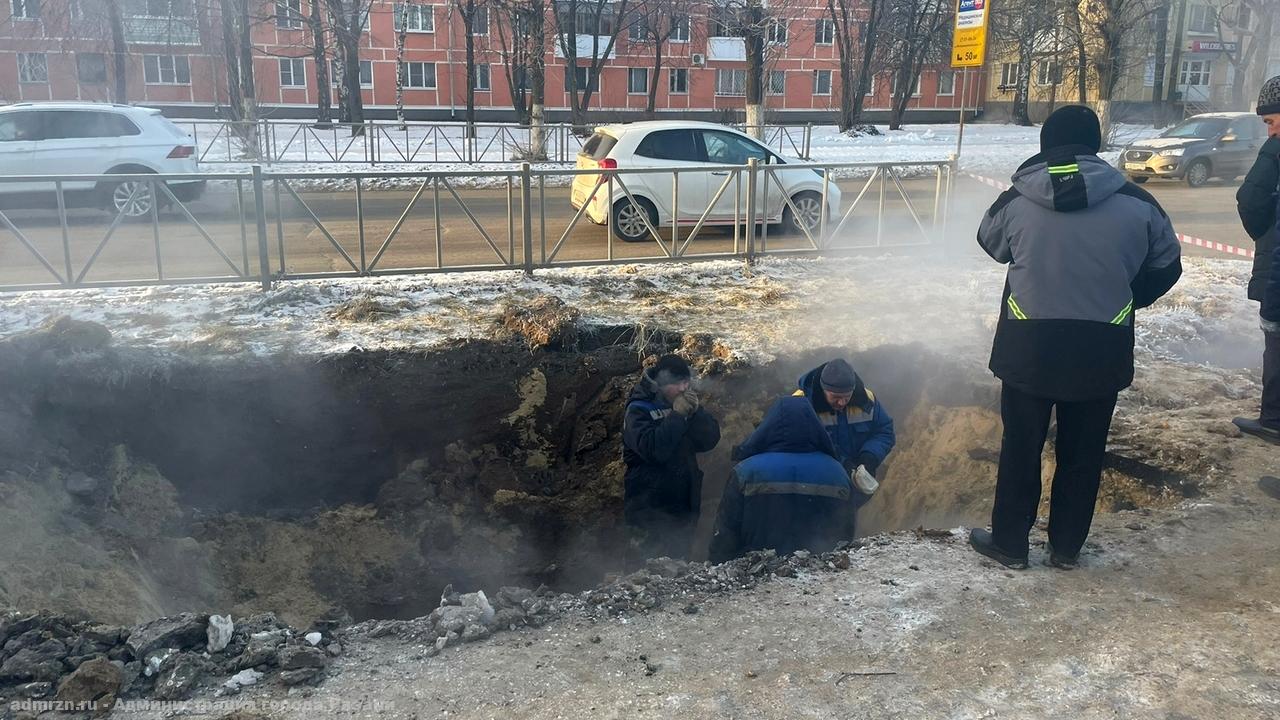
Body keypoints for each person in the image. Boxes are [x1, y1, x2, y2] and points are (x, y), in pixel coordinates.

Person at [970, 105, 1182, 571]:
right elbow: (1168, 265)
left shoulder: (1018, 197)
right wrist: (1127, 297)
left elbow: (989, 241)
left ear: (1046, 145)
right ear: (1095, 145)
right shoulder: (1139, 203)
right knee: (1083, 454)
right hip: (1100, 348)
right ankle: (1066, 549)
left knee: (1021, 448)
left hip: (1028, 345)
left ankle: (1009, 544)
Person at [709, 396, 855, 562]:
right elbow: (845, 533)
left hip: (754, 572)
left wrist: (716, 569)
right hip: (820, 574)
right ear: (815, 426)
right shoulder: (837, 473)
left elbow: (726, 532)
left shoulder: (746, 471)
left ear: (770, 425)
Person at [621, 354, 720, 564]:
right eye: (678, 384)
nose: (684, 389)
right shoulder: (638, 409)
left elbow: (709, 440)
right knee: (645, 566)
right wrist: (677, 417)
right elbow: (653, 450)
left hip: (684, 499)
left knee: (679, 562)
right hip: (649, 504)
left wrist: (696, 414)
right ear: (662, 384)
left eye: (686, 382)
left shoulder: (682, 404)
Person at [1233, 74, 1280, 447]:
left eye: (1270, 121)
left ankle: (1274, 418)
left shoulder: (1276, 149)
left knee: (1277, 340)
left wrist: (1266, 235)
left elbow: (1249, 198)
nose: (1270, 131)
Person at [792, 358, 896, 510]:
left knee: (845, 527)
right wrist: (842, 465)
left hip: (853, 491)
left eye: (846, 397)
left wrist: (869, 457)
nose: (842, 403)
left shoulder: (867, 400)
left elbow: (884, 430)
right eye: (835, 397)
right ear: (823, 388)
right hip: (815, 488)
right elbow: (800, 443)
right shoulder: (800, 404)